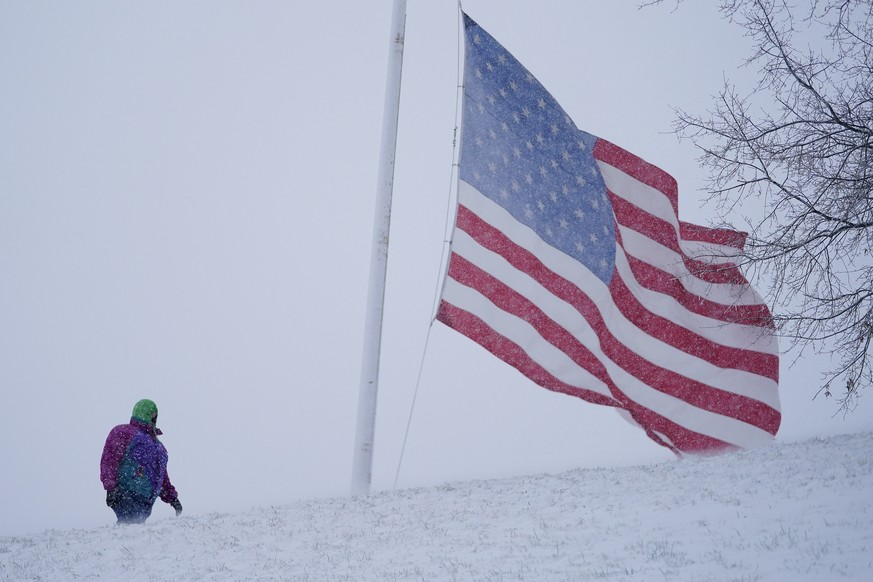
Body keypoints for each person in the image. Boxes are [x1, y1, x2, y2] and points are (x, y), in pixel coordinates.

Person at [100, 399, 183, 524]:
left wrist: (171, 497)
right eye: (152, 414)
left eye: (156, 415)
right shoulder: (124, 433)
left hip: (146, 500)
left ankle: (120, 542)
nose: (154, 418)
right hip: (126, 492)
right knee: (128, 525)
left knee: (135, 530)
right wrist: (111, 487)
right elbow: (110, 459)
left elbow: (161, 474)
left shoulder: (158, 446)